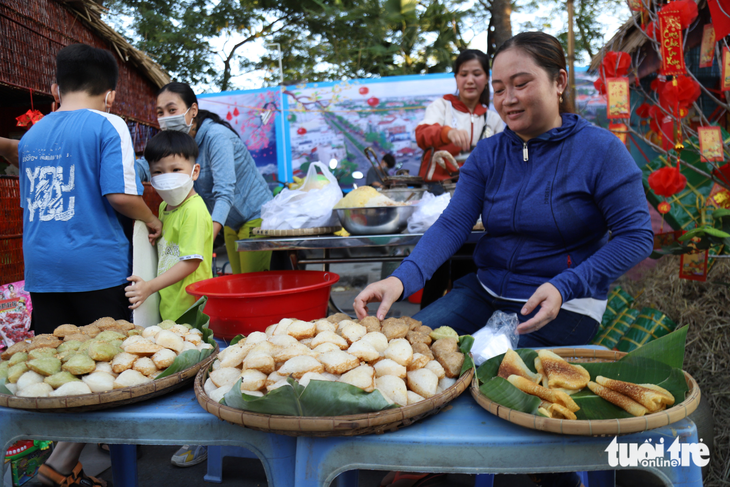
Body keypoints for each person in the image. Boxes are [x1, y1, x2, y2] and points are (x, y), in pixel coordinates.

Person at [356, 32, 654, 487]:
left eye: (521, 83)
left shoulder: (600, 151)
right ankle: (420, 454)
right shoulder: (490, 153)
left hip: (562, 301)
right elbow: (453, 224)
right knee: (412, 352)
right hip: (487, 287)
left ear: (559, 81)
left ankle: (548, 473)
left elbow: (636, 237)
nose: (507, 99)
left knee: (496, 381)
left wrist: (565, 284)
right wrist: (402, 279)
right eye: (498, 88)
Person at [18, 43, 161, 487]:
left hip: (43, 271)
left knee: (58, 369)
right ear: (111, 94)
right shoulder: (108, 123)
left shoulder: (33, 135)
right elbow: (118, 195)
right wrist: (152, 218)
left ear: (54, 87)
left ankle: (60, 466)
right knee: (107, 373)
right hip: (95, 268)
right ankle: (62, 467)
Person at [155, 82, 273, 275]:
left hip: (255, 217)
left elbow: (224, 193)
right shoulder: (182, 143)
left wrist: (203, 239)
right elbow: (151, 164)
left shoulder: (217, 137)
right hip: (229, 221)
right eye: (160, 112)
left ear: (193, 110)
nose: (166, 118)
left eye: (172, 109)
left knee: (252, 286)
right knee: (239, 284)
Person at [124, 131, 213, 321]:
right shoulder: (165, 207)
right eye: (158, 171)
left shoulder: (194, 210)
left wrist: (149, 287)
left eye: (175, 169)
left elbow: (191, 262)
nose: (167, 177)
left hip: (191, 309)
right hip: (170, 306)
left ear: (194, 172)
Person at [416, 49, 505, 182]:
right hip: (439, 188)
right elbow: (421, 135)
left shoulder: (494, 119)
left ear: (487, 78)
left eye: (477, 74)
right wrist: (447, 133)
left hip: (480, 188)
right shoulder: (441, 106)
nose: (470, 80)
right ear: (456, 78)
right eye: (463, 74)